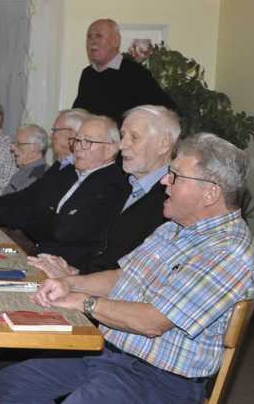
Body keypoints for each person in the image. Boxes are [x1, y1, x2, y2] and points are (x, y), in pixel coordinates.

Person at [0, 133, 254, 404]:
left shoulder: (228, 251)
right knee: (9, 385)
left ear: (210, 193)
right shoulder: (177, 227)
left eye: (176, 176)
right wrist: (71, 284)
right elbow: (124, 277)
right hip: (111, 353)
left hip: (159, 381)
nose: (165, 180)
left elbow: (153, 322)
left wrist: (83, 302)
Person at [31, 105, 179, 277]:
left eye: (134, 137)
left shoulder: (172, 199)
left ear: (163, 144)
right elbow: (100, 250)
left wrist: (75, 280)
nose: (122, 145)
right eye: (123, 136)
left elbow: (138, 277)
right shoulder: (127, 185)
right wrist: (74, 272)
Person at [0, 116, 129, 270]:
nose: (78, 147)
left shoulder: (112, 185)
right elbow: (29, 200)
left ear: (110, 150)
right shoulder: (73, 173)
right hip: (40, 255)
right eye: (78, 140)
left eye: (87, 142)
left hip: (63, 270)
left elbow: (62, 230)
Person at [72, 18, 176, 123]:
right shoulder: (87, 74)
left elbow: (167, 111)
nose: (92, 42)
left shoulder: (135, 73)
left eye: (99, 36)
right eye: (89, 37)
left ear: (116, 41)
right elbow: (79, 112)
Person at [2, 124, 49, 196]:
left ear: (35, 148)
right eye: (14, 143)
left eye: (19, 144)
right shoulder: (27, 169)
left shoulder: (39, 174)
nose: (12, 148)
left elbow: (14, 204)